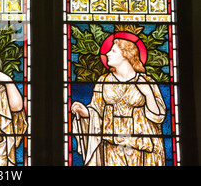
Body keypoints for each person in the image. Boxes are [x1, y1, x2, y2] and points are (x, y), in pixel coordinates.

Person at [71, 38, 166, 166]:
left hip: (141, 148)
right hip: (112, 145)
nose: (107, 53)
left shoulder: (146, 81)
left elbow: (158, 117)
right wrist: (86, 112)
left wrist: (148, 93)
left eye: (113, 51)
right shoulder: (103, 81)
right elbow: (97, 111)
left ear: (126, 55)